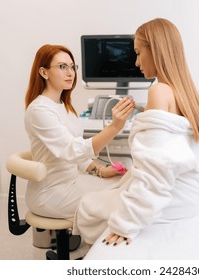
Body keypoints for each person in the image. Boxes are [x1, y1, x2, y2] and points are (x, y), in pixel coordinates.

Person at [73, 18, 199, 246]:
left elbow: (155, 167)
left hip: (169, 200)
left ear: (156, 50)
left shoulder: (159, 91)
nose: (136, 62)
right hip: (191, 194)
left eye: (138, 53)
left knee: (88, 204)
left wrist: (128, 222)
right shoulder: (187, 94)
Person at [24, 44, 135, 219]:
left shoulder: (65, 107)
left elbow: (73, 156)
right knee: (123, 197)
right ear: (44, 72)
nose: (71, 73)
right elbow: (72, 151)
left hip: (72, 182)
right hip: (50, 194)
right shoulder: (39, 110)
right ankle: (110, 243)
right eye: (62, 67)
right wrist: (114, 127)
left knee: (126, 182)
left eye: (72, 67)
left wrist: (99, 169)